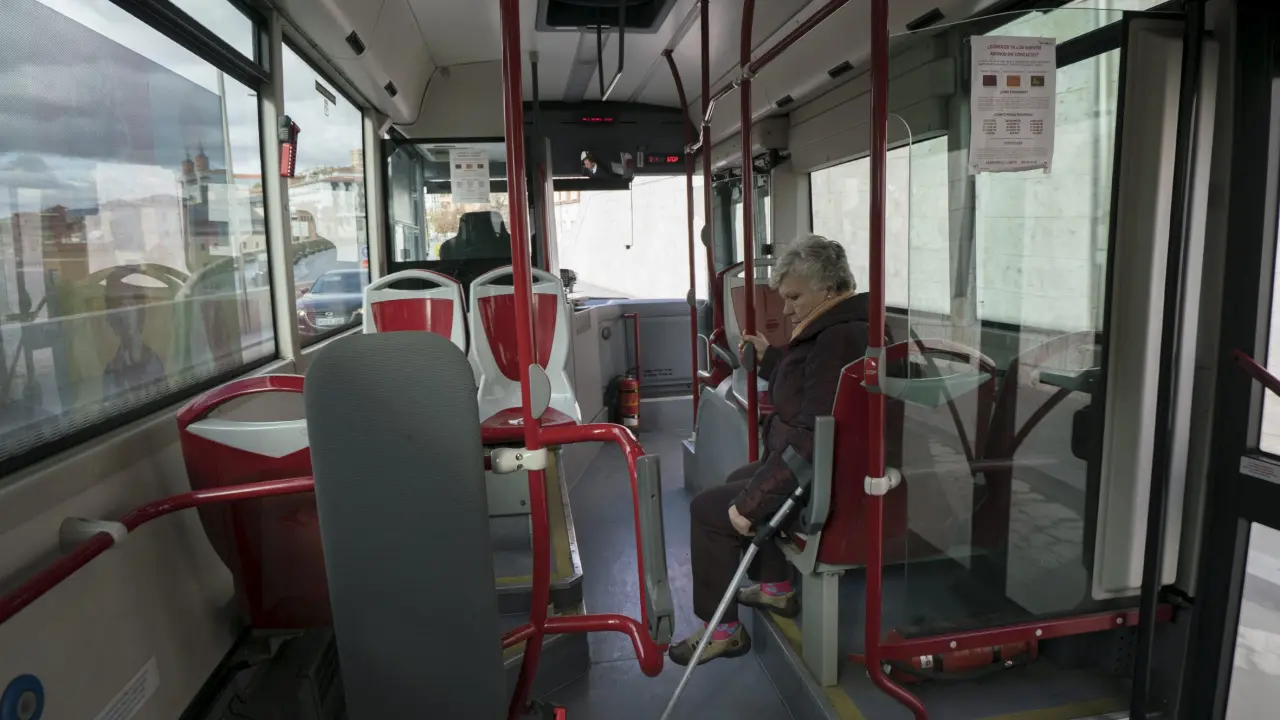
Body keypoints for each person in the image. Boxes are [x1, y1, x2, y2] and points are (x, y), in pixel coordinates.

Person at [668, 234, 879, 666]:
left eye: (794, 297)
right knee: (738, 479)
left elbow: (812, 433)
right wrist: (770, 358)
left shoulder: (838, 338)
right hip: (829, 468)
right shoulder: (844, 327)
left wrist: (751, 505)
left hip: (823, 480)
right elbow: (812, 384)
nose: (785, 310)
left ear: (828, 288)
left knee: (710, 511)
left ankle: (723, 632)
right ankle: (775, 589)